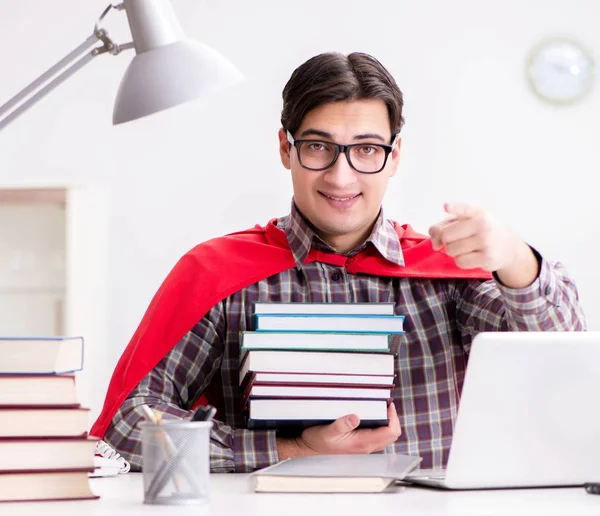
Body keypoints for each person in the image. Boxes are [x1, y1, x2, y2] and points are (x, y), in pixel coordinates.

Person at [90, 51, 585, 473]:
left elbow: (563, 366)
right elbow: (131, 423)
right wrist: (289, 449)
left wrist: (518, 259)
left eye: (366, 149)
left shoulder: (449, 273)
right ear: (286, 148)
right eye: (319, 147)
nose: (341, 177)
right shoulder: (218, 273)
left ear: (394, 157)